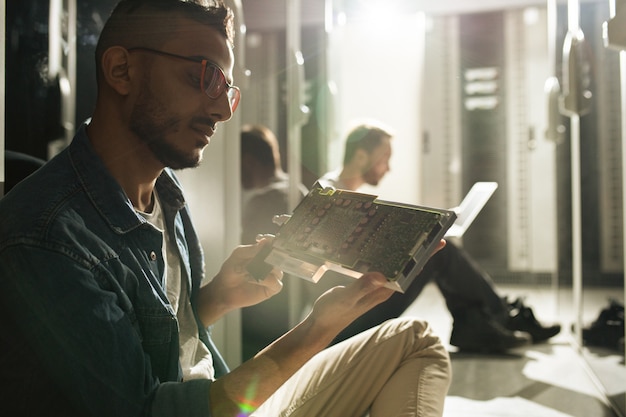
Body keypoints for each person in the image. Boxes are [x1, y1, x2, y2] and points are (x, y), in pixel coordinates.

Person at [0, 2, 452, 416]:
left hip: (221, 399)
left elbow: (156, 340)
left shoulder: (166, 192)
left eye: (228, 90)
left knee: (414, 340)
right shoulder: (48, 236)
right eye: (205, 77)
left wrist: (214, 298)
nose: (222, 110)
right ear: (121, 70)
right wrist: (319, 326)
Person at [316, 121, 561, 352]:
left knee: (438, 247)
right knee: (439, 252)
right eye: (384, 159)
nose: (388, 168)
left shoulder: (341, 193)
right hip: (348, 316)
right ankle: (499, 319)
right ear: (361, 156)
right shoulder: (331, 194)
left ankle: (481, 323)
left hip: (356, 301)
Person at [239, 124, 308, 360]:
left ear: (247, 161)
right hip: (292, 313)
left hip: (263, 318)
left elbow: (252, 266)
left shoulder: (266, 201)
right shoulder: (296, 189)